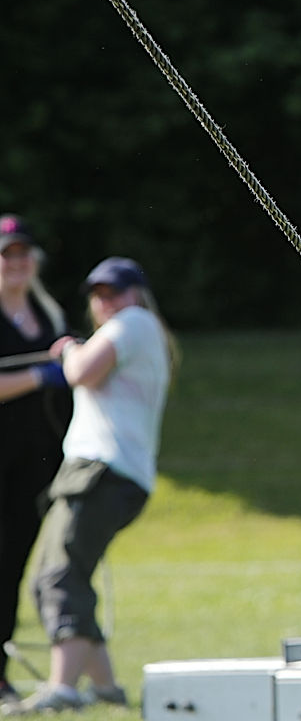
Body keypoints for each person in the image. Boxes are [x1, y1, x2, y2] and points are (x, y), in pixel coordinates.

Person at [8, 257, 172, 715]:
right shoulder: (135, 331)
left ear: (137, 294)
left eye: (114, 291)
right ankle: (105, 688)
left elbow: (80, 372)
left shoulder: (134, 322)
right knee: (56, 573)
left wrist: (67, 351)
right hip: (108, 472)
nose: (106, 302)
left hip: (101, 470)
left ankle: (62, 687)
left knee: (60, 575)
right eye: (98, 295)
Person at [0, 215, 72, 710]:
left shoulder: (48, 314)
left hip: (37, 466)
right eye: (7, 254)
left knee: (15, 567)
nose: (17, 262)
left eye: (23, 253)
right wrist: (40, 376)